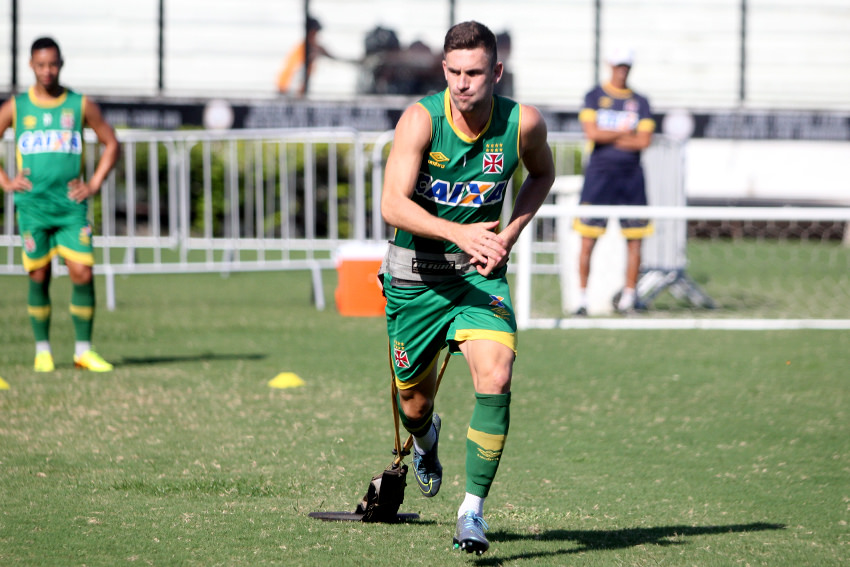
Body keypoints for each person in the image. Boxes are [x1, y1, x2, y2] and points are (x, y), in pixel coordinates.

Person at [379, 21, 554, 555]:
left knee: (496, 376)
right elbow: (392, 205)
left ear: (496, 72)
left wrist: (508, 235)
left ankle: (471, 512)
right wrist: (459, 232)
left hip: (479, 278)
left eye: (474, 72)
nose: (462, 83)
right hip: (415, 277)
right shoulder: (420, 120)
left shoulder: (522, 123)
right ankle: (426, 441)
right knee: (413, 405)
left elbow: (541, 175)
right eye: (453, 71)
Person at [0, 36, 119, 372]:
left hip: (70, 207)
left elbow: (111, 143)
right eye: (41, 65)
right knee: (39, 275)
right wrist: (6, 181)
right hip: (33, 206)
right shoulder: (17, 107)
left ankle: (83, 350)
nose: (47, 71)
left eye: (52, 64)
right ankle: (43, 351)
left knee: (82, 272)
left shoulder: (79, 104)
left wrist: (93, 183)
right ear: (31, 65)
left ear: (61, 64)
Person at [573, 46, 655, 315]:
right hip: (599, 177)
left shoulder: (641, 101)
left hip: (631, 178)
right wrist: (624, 131)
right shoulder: (594, 96)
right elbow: (592, 133)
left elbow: (644, 141)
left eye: (626, 66)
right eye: (619, 65)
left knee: (635, 239)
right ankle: (582, 299)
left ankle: (629, 298)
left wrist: (609, 134)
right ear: (610, 65)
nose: (622, 71)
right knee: (588, 239)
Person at [276, 16, 332, 97]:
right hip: (288, 90)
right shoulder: (306, 48)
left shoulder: (308, 47)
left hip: (290, 89)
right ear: (312, 32)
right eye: (315, 33)